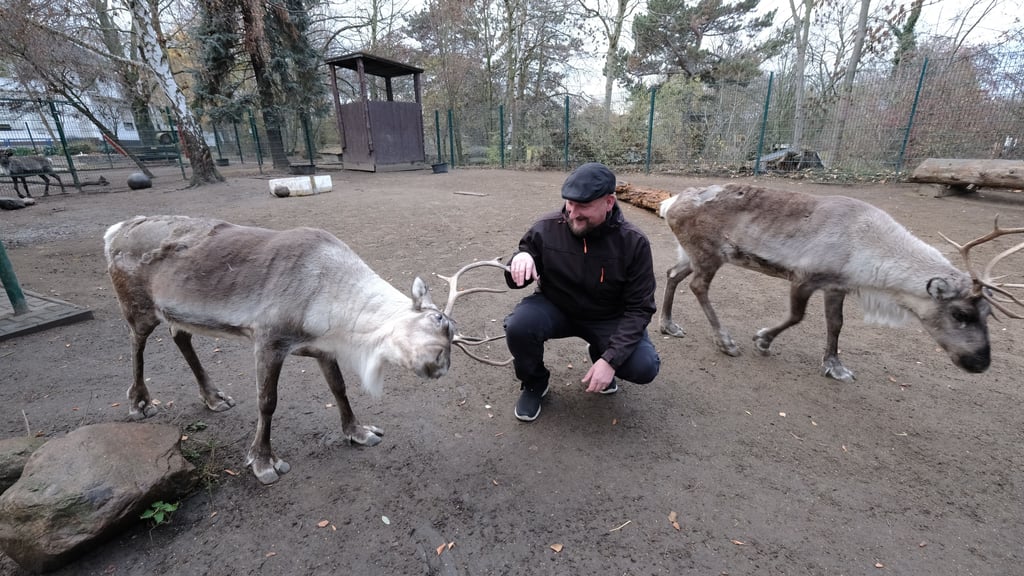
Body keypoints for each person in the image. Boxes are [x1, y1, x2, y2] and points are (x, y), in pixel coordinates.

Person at [503, 162, 661, 422]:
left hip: (608, 316)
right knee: (519, 326)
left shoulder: (634, 242)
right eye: (569, 203)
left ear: (609, 203)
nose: (573, 213)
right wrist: (519, 260)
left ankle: (600, 351)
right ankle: (534, 383)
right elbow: (515, 279)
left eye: (583, 206)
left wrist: (610, 360)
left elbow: (640, 309)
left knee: (644, 367)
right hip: (556, 306)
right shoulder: (546, 228)